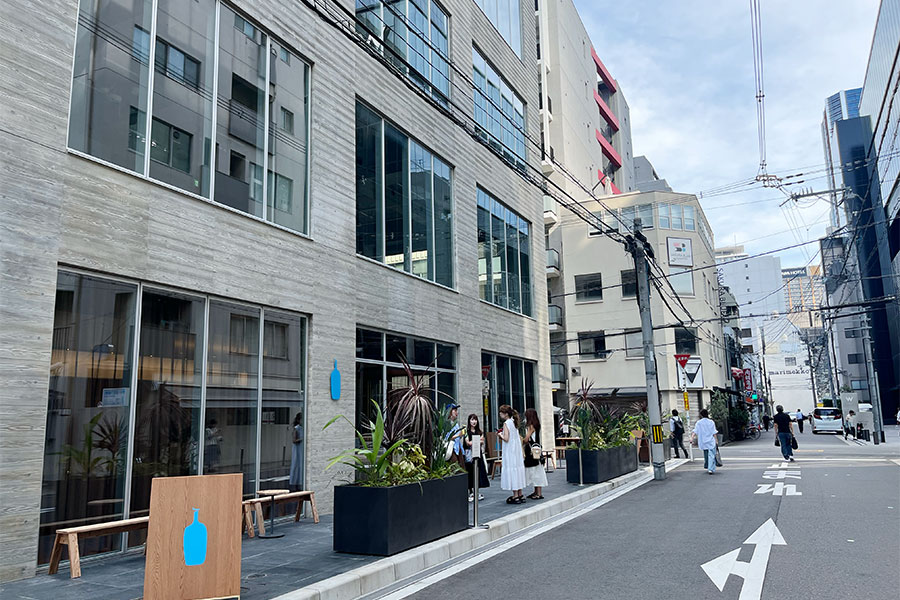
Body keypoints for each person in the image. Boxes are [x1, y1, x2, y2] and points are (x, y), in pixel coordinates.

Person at [498, 404, 526, 504]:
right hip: (516, 451)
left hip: (510, 451)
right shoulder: (514, 422)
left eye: (501, 412)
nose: (500, 414)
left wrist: (500, 435)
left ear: (506, 414)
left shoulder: (506, 423)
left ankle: (515, 495)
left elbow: (506, 438)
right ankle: (520, 494)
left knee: (512, 470)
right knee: (517, 470)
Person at [462, 413, 489, 501]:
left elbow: (482, 441)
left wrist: (473, 442)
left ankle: (476, 492)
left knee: (478, 472)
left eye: (475, 420)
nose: (474, 422)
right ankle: (470, 492)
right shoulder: (466, 432)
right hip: (469, 455)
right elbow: (467, 443)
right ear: (469, 421)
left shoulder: (479, 431)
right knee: (470, 472)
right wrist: (477, 441)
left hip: (478, 454)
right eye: (472, 419)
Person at [523, 408, 548, 500]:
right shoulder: (537, 425)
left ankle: (538, 493)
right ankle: (536, 492)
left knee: (535, 471)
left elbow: (526, 439)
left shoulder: (531, 426)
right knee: (537, 470)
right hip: (537, 450)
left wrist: (522, 440)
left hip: (531, 452)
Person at [691, 409, 719, 474]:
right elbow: (714, 432)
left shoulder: (699, 423)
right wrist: (716, 440)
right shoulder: (711, 422)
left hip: (703, 441)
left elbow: (695, 431)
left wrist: (692, 438)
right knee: (711, 455)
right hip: (711, 440)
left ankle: (707, 465)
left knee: (706, 454)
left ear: (701, 415)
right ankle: (710, 468)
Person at [289, 412, 304, 490]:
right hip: (298, 448)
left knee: (301, 465)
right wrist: (302, 439)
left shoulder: (304, 428)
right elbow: (294, 440)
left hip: (302, 448)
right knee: (297, 464)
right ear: (298, 420)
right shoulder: (297, 428)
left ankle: (300, 482)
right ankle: (295, 483)